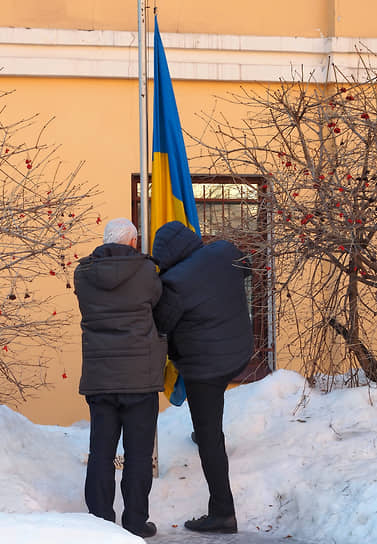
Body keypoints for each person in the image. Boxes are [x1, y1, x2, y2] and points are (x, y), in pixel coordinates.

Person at [152, 220, 253, 534]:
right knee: (209, 420)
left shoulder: (175, 283)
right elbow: (246, 269)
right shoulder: (223, 251)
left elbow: (161, 324)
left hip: (205, 367)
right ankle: (203, 432)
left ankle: (223, 513)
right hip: (238, 351)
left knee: (211, 437)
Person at [74, 218, 167, 538]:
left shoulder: (83, 274)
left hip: (100, 378)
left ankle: (100, 521)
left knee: (100, 451)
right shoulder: (146, 273)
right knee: (138, 454)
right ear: (132, 242)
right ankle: (135, 522)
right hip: (139, 377)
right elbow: (157, 304)